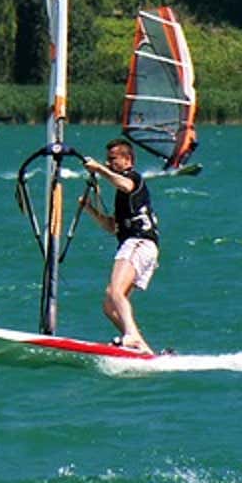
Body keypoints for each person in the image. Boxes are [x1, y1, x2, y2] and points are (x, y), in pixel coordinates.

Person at [79, 137, 160, 354]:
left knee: (115, 291)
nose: (109, 163)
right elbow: (111, 226)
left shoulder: (132, 178)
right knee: (109, 304)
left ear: (128, 160)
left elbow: (123, 183)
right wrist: (90, 210)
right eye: (107, 160)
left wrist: (99, 169)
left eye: (113, 159)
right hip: (136, 244)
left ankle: (131, 336)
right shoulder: (122, 194)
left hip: (139, 242)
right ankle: (143, 348)